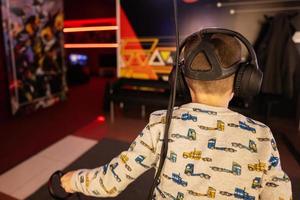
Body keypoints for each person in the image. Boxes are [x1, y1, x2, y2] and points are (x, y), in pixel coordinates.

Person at [60, 32, 292, 199]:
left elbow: (111, 182)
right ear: (245, 80)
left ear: (180, 81)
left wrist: (75, 180)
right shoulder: (261, 136)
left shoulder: (161, 124)